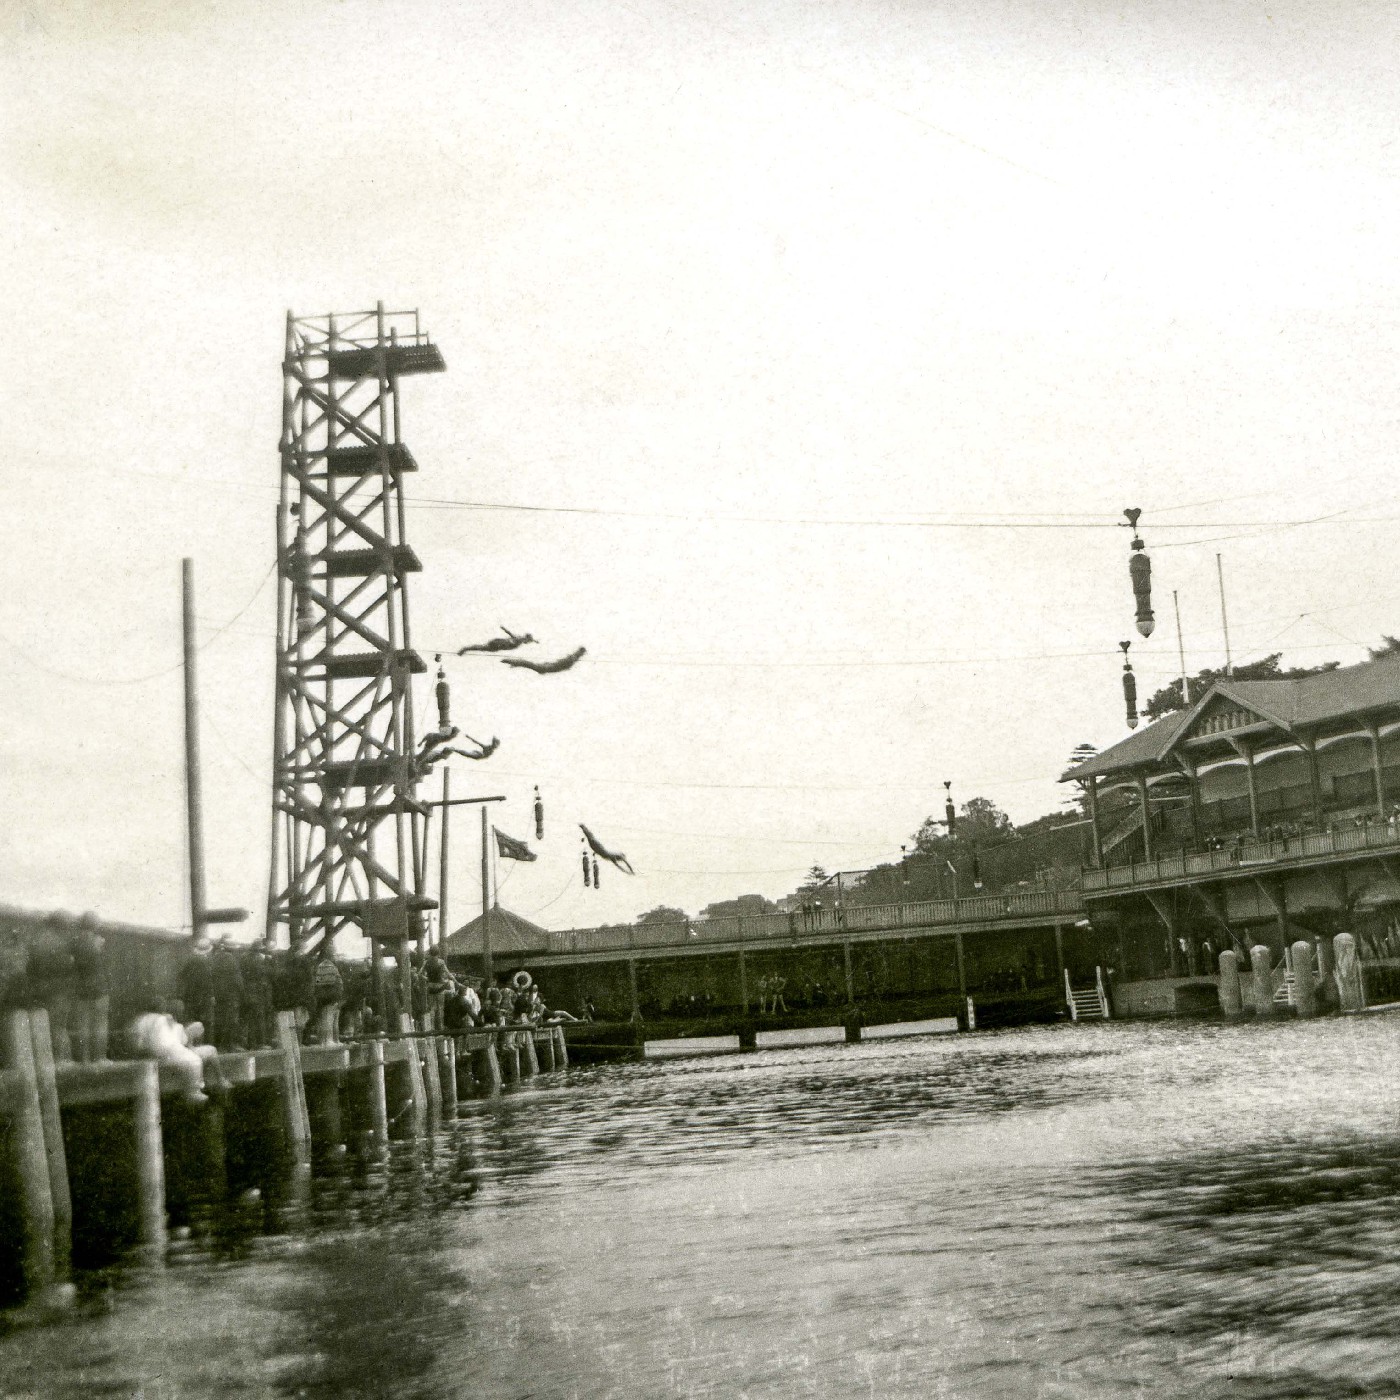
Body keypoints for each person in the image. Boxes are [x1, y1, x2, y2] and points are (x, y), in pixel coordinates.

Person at [29, 914, 76, 1061]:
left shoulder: (38, 941)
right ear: (60, 926)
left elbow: (31, 967)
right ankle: (59, 1060)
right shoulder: (60, 943)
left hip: (40, 988)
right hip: (58, 990)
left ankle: (45, 1060)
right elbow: (66, 967)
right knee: (58, 1027)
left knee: (43, 1025)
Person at [69, 914, 110, 1062]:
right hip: (99, 987)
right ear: (95, 925)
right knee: (100, 1024)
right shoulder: (99, 941)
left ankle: (84, 1059)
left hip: (81, 988)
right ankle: (100, 1058)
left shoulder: (74, 942)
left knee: (82, 1026)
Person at [209, 935, 245, 1051]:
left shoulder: (214, 958)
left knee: (219, 1020)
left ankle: (219, 1045)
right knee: (231, 1021)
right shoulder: (232, 960)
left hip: (218, 994)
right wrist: (242, 993)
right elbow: (237, 980)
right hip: (231, 995)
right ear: (232, 949)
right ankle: (230, 1045)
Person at [177, 936, 215, 1033]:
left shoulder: (190, 960)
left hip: (190, 996)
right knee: (206, 1023)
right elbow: (208, 981)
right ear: (207, 950)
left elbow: (181, 975)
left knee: (192, 1022)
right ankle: (206, 1045)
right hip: (204, 997)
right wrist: (211, 995)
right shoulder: (206, 962)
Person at [310, 948, 344, 1044]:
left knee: (326, 1019)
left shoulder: (321, 966)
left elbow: (319, 983)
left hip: (325, 997)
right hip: (331, 997)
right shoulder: (329, 966)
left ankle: (326, 1040)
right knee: (330, 1020)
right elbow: (330, 983)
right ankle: (330, 1040)